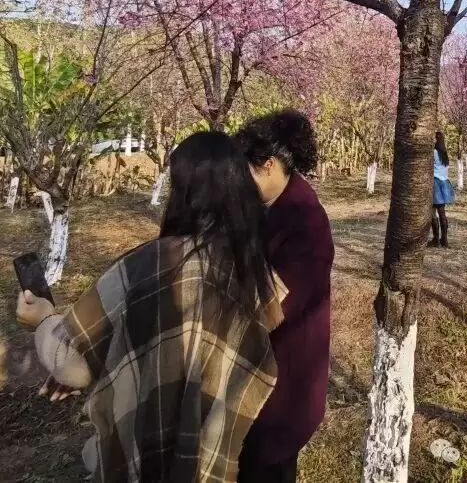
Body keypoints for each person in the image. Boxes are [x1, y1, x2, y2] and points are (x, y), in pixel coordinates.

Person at [16, 131, 286, 483]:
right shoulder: (253, 272)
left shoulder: (147, 265)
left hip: (138, 463)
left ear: (182, 191)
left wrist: (44, 319)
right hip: (212, 466)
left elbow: (72, 368)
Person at [235, 110, 334, 483]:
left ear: (269, 165)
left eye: (245, 170)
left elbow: (271, 307)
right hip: (262, 382)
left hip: (280, 391)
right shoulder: (273, 208)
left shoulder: (305, 222)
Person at [430, 131, 455, 248]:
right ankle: (444, 239)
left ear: (436, 140)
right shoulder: (444, 153)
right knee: (442, 213)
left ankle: (436, 240)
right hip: (444, 183)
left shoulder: (434, 152)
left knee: (432, 213)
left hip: (436, 183)